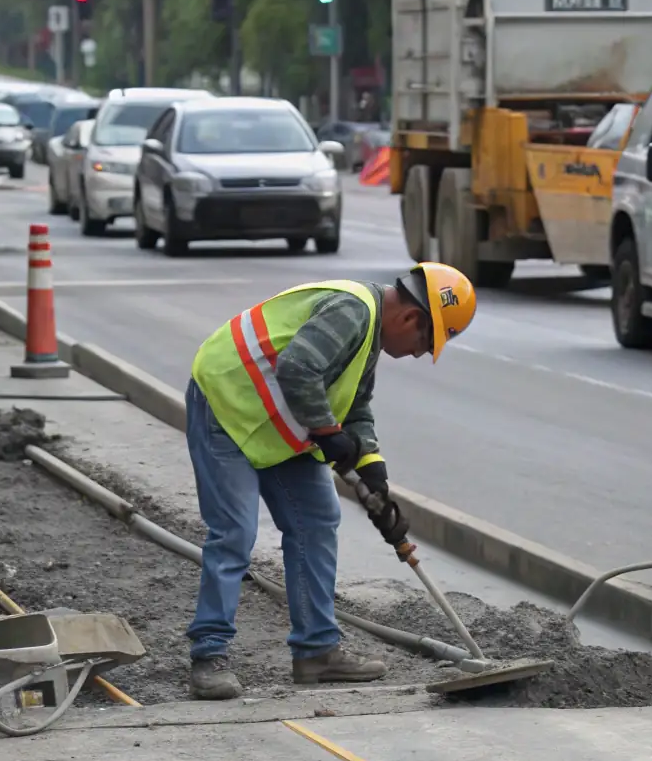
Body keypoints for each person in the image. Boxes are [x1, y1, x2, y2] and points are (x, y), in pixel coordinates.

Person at [184, 262, 477, 699]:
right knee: (235, 532)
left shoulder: (371, 331)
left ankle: (317, 652)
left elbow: (354, 403)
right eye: (424, 341)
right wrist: (327, 433)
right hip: (227, 406)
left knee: (317, 520)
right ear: (410, 318)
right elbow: (298, 369)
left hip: (278, 424)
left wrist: (373, 469)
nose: (419, 353)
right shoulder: (352, 312)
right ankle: (209, 655)